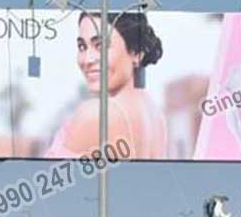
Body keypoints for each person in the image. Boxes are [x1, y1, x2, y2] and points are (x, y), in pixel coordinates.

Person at [45, 12, 167, 159]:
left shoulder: (96, 114)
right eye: (82, 47)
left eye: (100, 45)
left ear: (136, 53)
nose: (87, 60)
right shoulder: (154, 114)